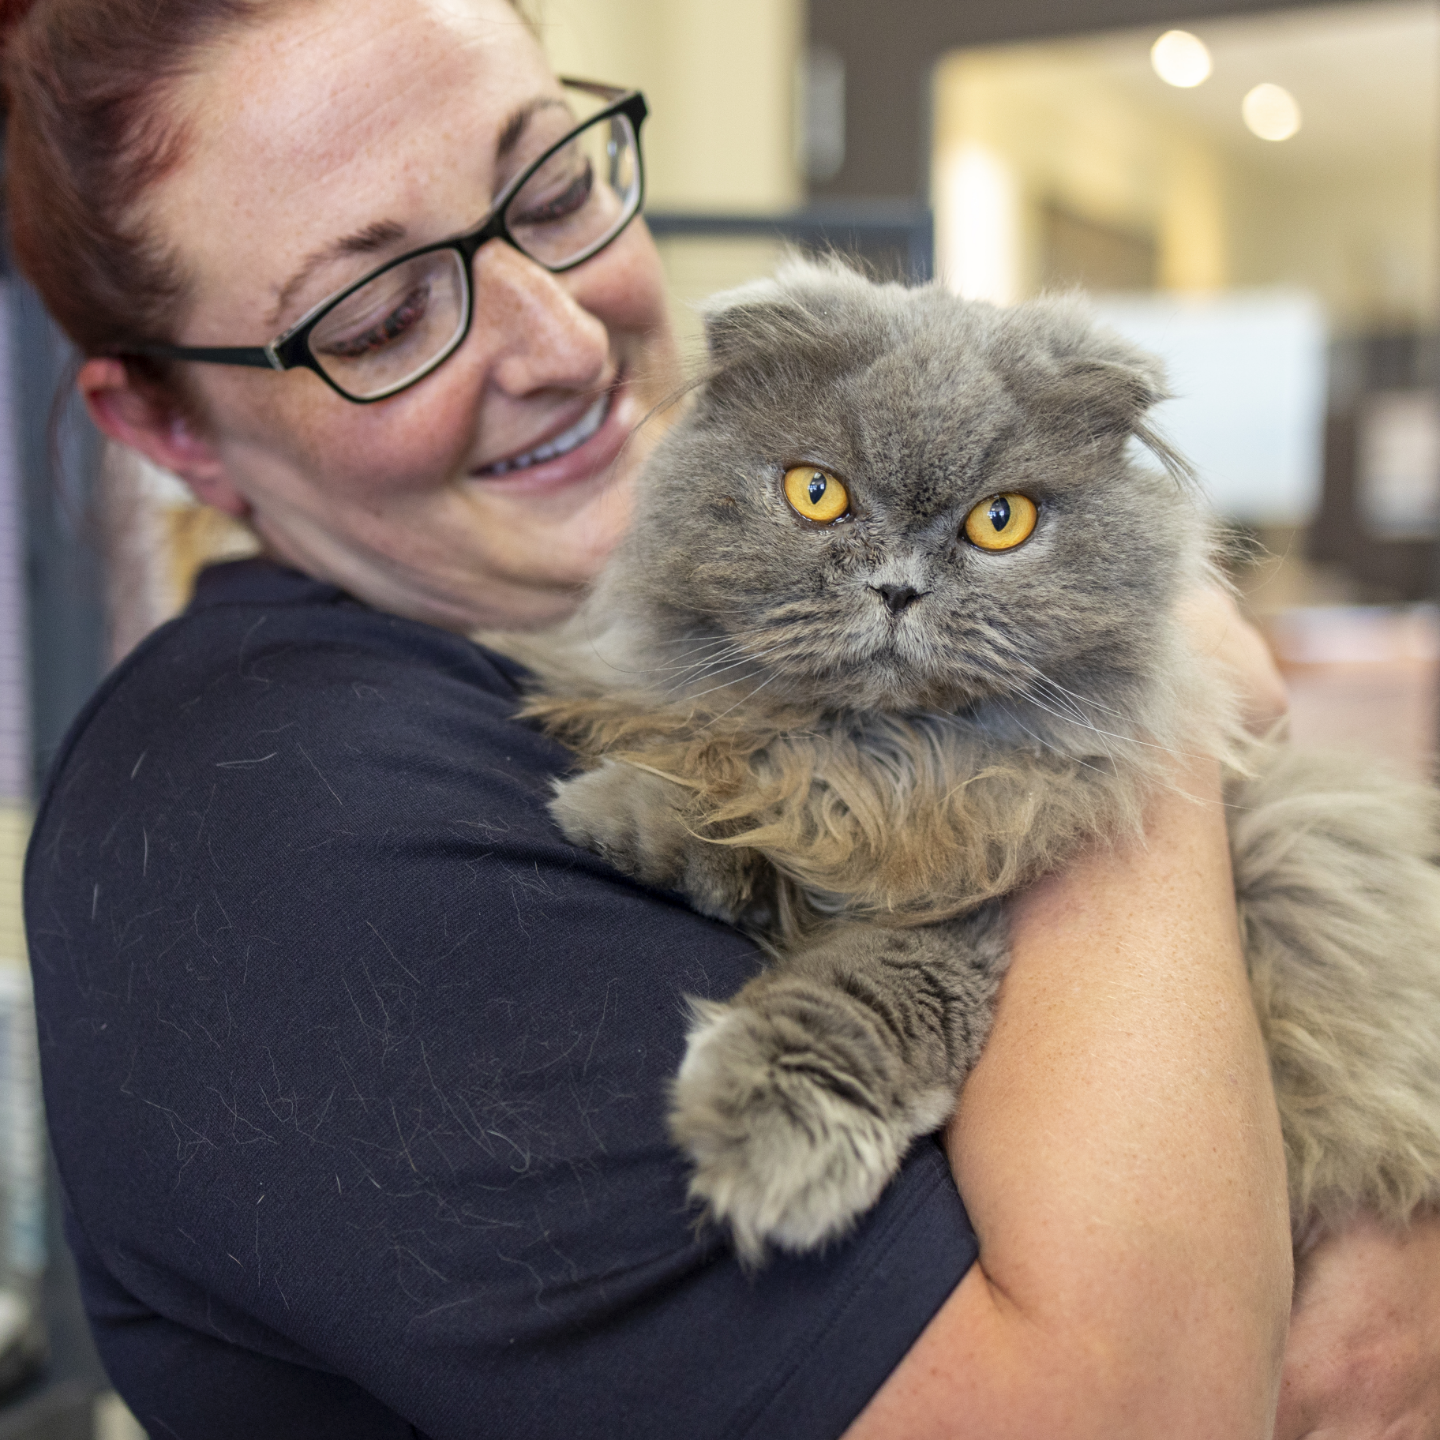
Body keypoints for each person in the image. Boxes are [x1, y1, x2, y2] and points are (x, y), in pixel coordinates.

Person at [6, 0, 1439, 1434]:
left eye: (553, 187)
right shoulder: (270, 832)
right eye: (381, 316)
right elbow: (1135, 1407)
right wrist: (1148, 700)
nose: (561, 341)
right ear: (169, 426)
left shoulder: (576, 636)